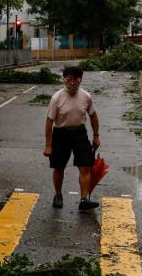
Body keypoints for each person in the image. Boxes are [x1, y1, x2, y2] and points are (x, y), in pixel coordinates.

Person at [43, 65, 101, 210]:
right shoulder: (57, 98)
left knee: (85, 166)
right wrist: (48, 145)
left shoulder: (86, 96)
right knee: (59, 167)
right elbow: (49, 121)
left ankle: (83, 200)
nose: (73, 83)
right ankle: (58, 195)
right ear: (64, 80)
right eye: (69, 79)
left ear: (80, 80)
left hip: (80, 134)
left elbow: (93, 116)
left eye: (76, 79)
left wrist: (96, 136)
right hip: (61, 134)